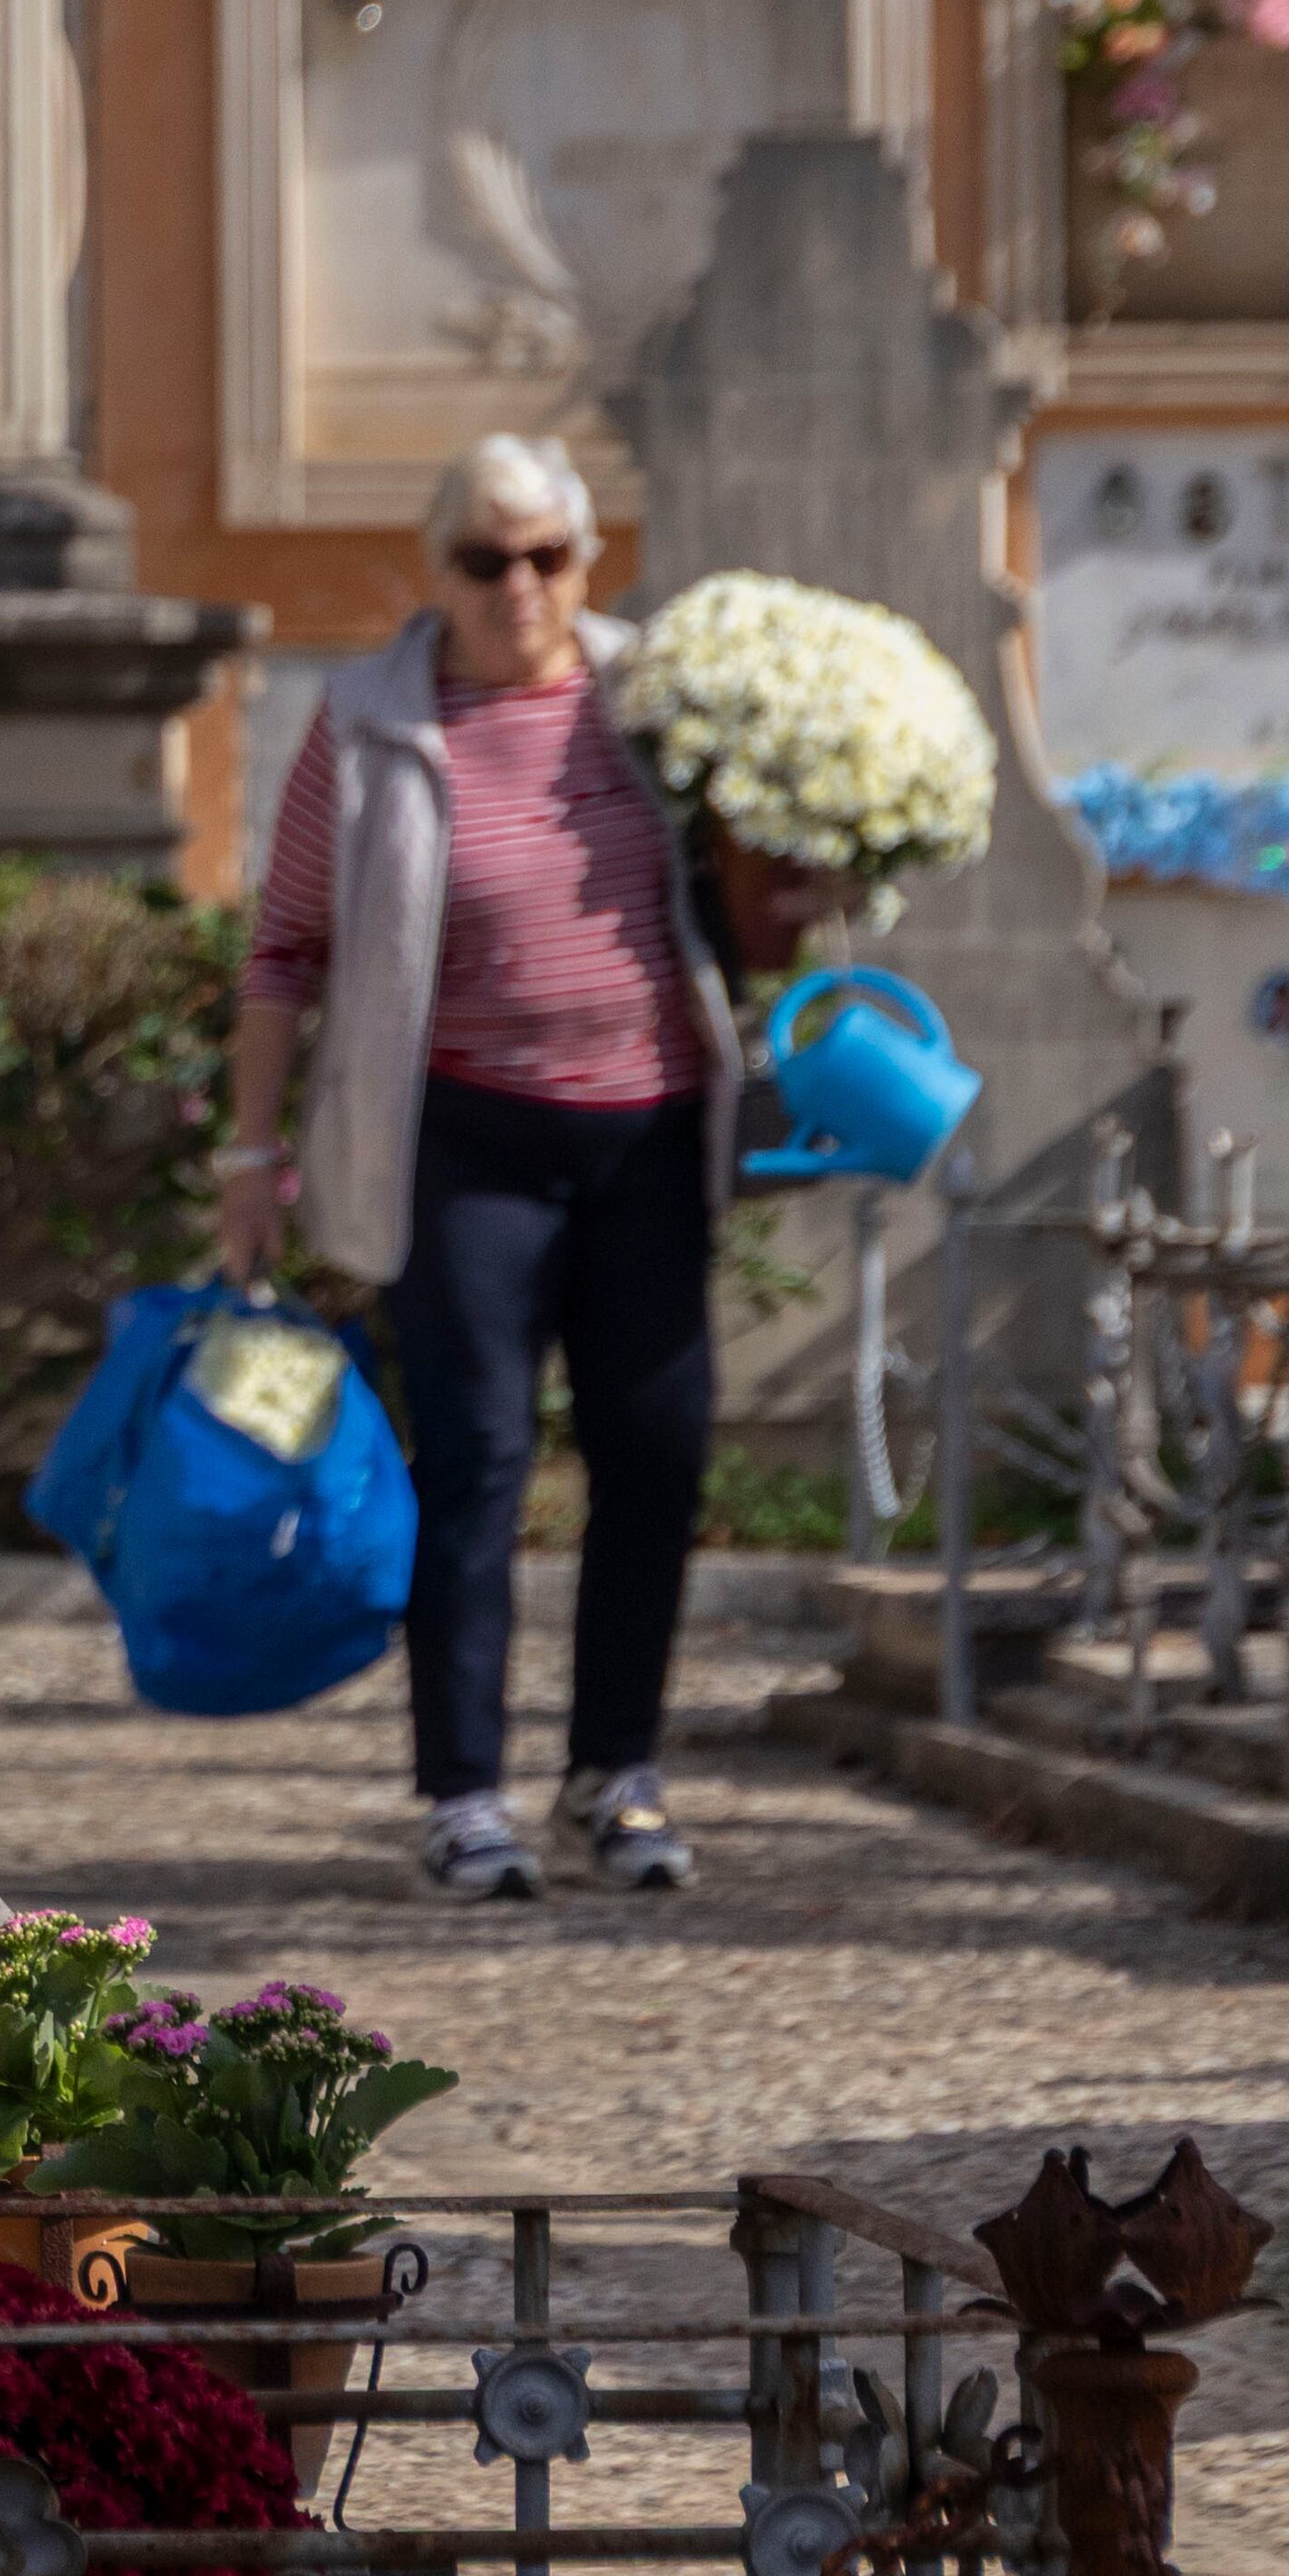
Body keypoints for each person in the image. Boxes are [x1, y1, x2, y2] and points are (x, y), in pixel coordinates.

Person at [218, 434, 748, 1901]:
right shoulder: (369, 717)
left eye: (549, 557)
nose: (520, 586)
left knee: (657, 1451)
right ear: (436, 568)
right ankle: (463, 1791)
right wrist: (253, 1152)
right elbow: (284, 949)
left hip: (647, 1129)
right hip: (464, 1134)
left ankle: (616, 1771)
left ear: (587, 562)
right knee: (478, 1461)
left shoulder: (663, 701)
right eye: (485, 559)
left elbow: (751, 888)